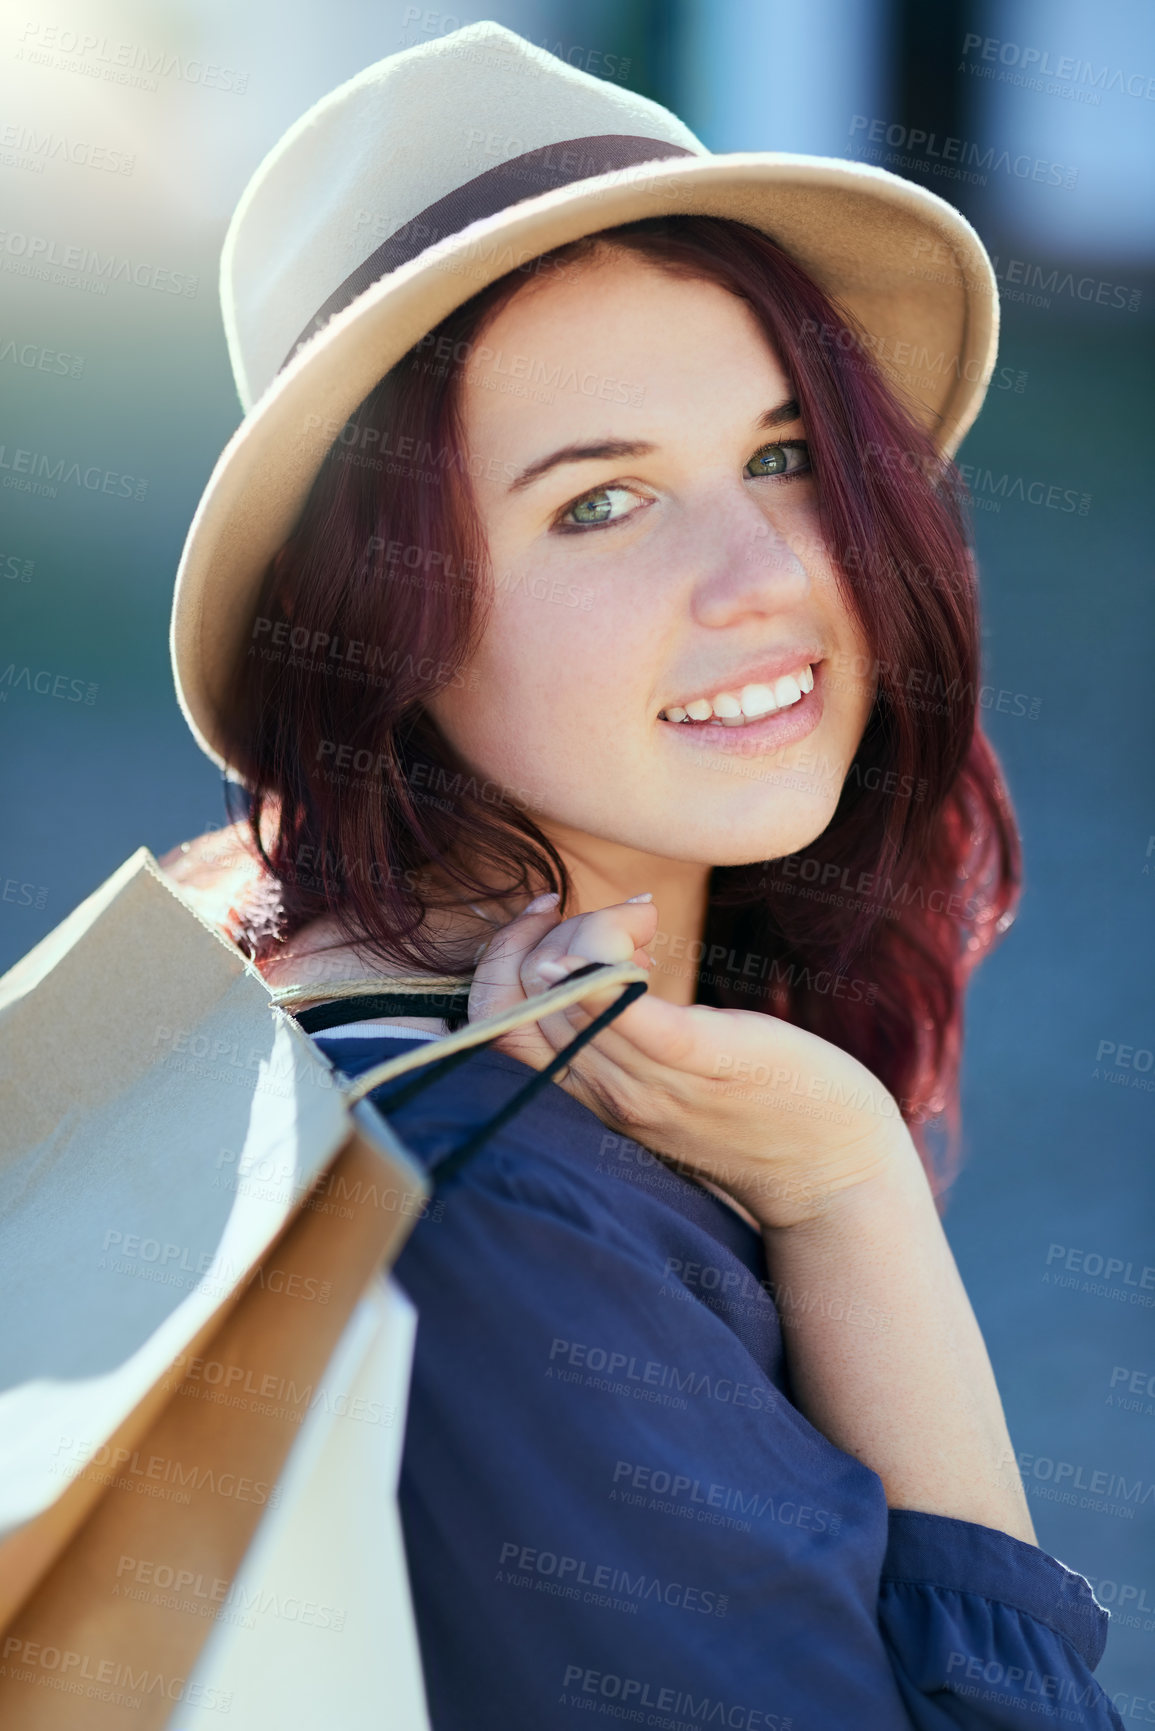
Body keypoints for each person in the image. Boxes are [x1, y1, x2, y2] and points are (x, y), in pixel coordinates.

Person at [161, 22, 1123, 1728]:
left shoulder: (396, 1030)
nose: (763, 576)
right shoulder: (487, 1210)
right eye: (598, 506)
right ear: (386, 625)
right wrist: (852, 1196)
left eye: (784, 456)